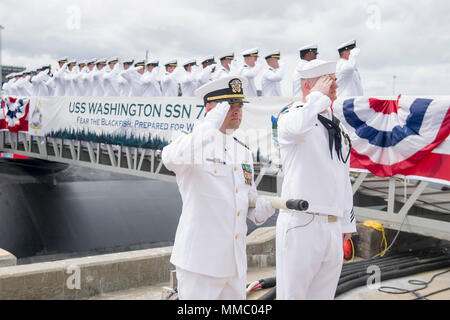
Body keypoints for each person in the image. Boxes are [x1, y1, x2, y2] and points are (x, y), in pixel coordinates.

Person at [162, 75, 275, 300]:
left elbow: (243, 197)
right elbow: (171, 159)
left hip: (234, 264)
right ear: (210, 108)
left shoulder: (242, 151)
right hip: (200, 264)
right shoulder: (190, 143)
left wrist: (257, 212)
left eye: (239, 106)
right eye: (229, 106)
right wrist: (209, 125)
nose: (237, 111)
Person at [276, 59, 356, 300]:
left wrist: (346, 223)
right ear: (310, 87)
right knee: (293, 295)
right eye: (328, 80)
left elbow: (342, 176)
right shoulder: (293, 117)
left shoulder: (336, 127)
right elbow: (295, 128)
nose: (335, 85)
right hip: (302, 224)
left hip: (331, 225)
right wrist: (316, 98)